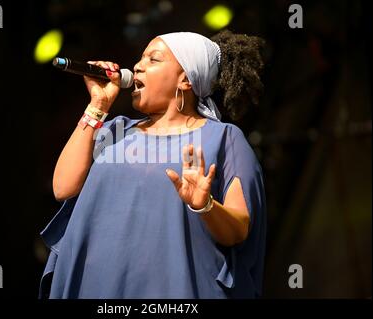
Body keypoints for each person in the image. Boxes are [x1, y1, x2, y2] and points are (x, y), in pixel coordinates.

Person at [39, 30, 267, 299]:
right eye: (140, 59)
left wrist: (205, 205)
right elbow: (63, 187)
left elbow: (238, 230)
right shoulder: (115, 131)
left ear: (186, 79)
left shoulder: (223, 138)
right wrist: (97, 105)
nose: (137, 66)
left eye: (153, 59)